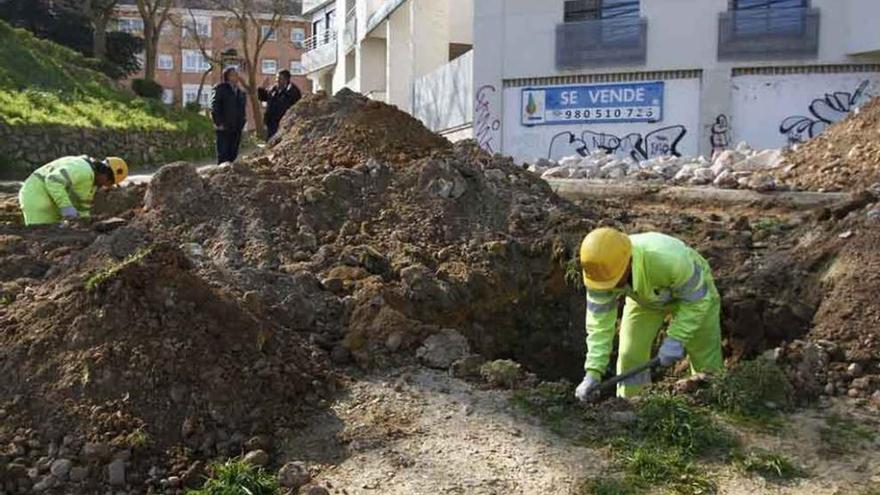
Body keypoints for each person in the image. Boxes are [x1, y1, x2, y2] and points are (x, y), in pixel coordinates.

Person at [574, 227, 723, 400]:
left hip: (694, 300)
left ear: (627, 262)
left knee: (705, 355)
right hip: (645, 301)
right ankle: (629, 404)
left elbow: (698, 302)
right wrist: (593, 372)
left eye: (614, 281)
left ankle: (712, 402)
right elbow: (599, 325)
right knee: (630, 354)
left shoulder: (671, 261)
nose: (611, 287)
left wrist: (676, 339)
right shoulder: (599, 275)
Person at [18, 155, 128, 226]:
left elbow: (83, 206)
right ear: (106, 175)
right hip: (36, 198)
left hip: (49, 202)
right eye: (110, 183)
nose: (107, 186)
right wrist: (67, 208)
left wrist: (84, 222)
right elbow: (53, 181)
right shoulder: (82, 169)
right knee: (40, 238)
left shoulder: (92, 181)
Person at [211, 67, 247, 164]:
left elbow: (243, 110)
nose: (235, 77)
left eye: (236, 75)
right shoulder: (220, 88)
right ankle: (220, 174)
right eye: (233, 75)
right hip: (224, 127)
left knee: (233, 153)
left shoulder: (241, 92)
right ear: (227, 76)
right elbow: (215, 106)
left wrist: (242, 122)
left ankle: (229, 175)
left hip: (236, 128)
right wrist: (218, 123)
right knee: (223, 153)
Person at [258, 69, 302, 140]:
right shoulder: (274, 89)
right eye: (276, 78)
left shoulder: (293, 91)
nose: (277, 80)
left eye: (279, 78)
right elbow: (264, 98)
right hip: (271, 123)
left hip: (284, 124)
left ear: (286, 79)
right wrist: (262, 89)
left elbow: (297, 107)